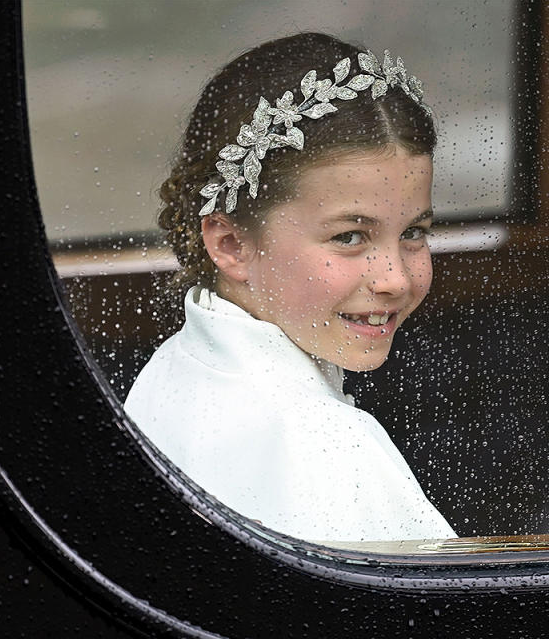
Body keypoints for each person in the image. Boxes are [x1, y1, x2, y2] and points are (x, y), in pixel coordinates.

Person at [125, 32, 455, 543]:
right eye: (349, 236)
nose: (394, 278)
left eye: (413, 232)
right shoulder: (327, 447)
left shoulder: (172, 371)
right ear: (232, 243)